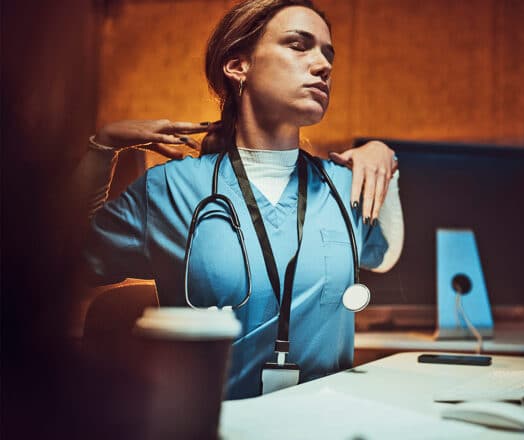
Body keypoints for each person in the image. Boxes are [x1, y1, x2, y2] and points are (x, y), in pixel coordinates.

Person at [77, 0, 403, 399]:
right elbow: (76, 265)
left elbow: (382, 255)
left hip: (323, 427)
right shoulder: (169, 189)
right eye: (299, 46)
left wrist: (386, 160)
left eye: (327, 53)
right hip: (214, 425)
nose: (323, 65)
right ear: (238, 66)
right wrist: (103, 146)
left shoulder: (343, 184)